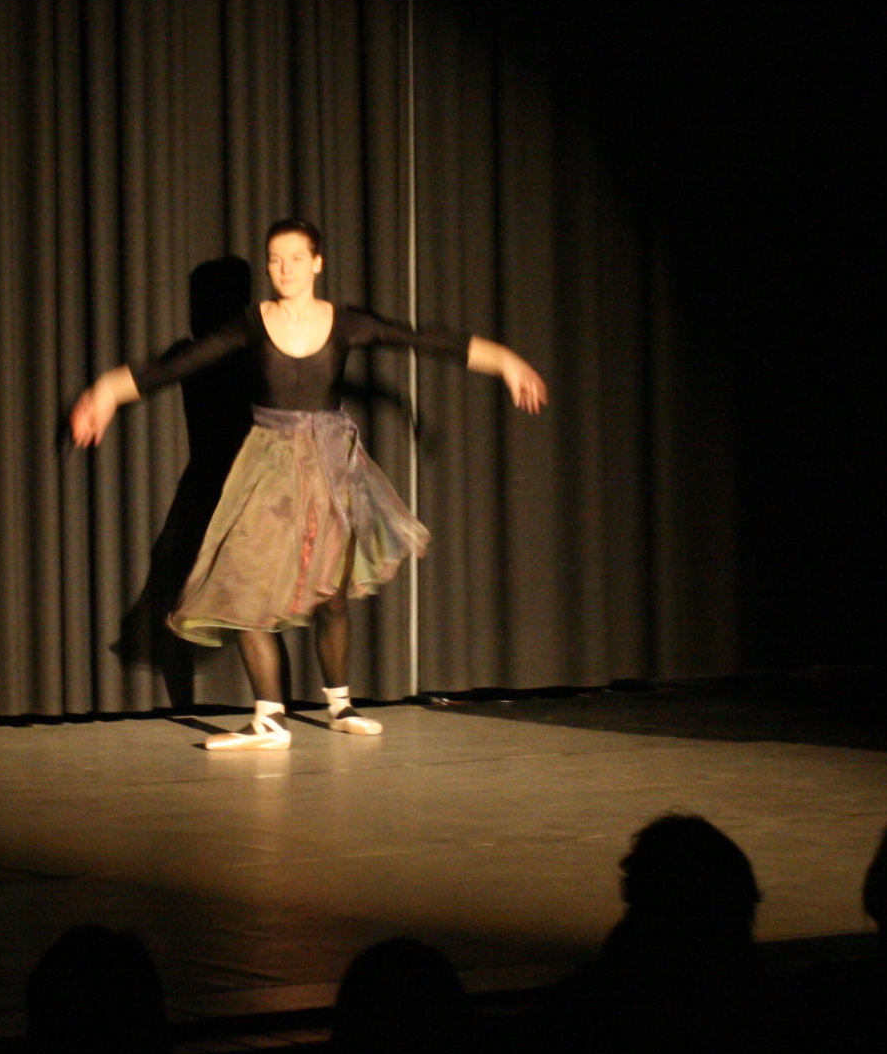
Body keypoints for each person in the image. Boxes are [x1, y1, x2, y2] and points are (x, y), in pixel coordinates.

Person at [69, 218, 547, 748]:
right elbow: (176, 364)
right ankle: (270, 719)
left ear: (317, 263)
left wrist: (506, 362)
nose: (285, 269)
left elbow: (422, 338)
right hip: (267, 470)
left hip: (328, 467)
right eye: (275, 259)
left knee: (332, 597)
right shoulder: (251, 324)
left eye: (296, 258)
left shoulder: (345, 323)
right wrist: (104, 393)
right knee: (244, 587)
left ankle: (339, 706)